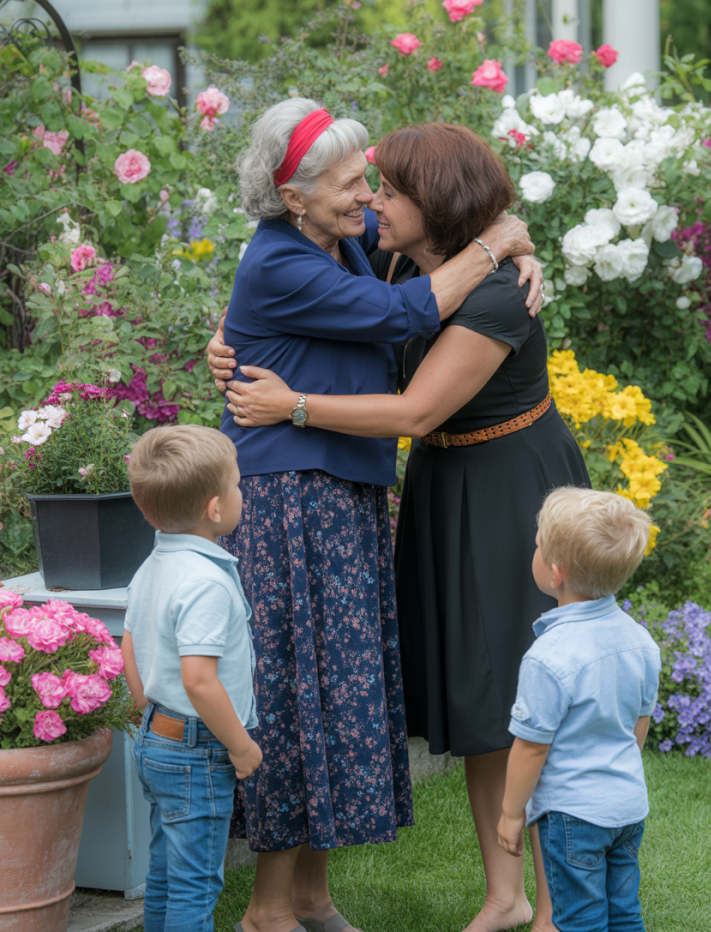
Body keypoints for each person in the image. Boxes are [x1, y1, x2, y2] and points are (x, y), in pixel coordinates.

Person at [219, 123, 590, 932]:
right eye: (365, 185)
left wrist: (296, 406)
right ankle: (505, 896)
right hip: (441, 487)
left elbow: (417, 410)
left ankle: (554, 910)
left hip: (508, 492)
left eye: (386, 190)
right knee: (481, 706)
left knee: (533, 700)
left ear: (438, 203)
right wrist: (229, 343)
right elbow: (312, 305)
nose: (372, 201)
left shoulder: (493, 293)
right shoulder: (379, 257)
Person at [498, 487, 661, 932]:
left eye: (537, 546)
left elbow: (531, 748)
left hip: (573, 815)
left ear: (555, 573)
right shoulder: (641, 641)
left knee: (580, 920)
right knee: (625, 912)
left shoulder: (549, 656)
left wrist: (512, 814)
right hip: (627, 807)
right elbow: (637, 728)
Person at [122, 425, 262, 932]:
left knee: (164, 874)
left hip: (157, 741)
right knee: (195, 886)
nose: (242, 492)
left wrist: (147, 706)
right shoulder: (205, 582)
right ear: (215, 509)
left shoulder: (153, 565)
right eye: (238, 485)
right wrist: (241, 746)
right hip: (196, 752)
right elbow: (200, 681)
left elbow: (129, 643)